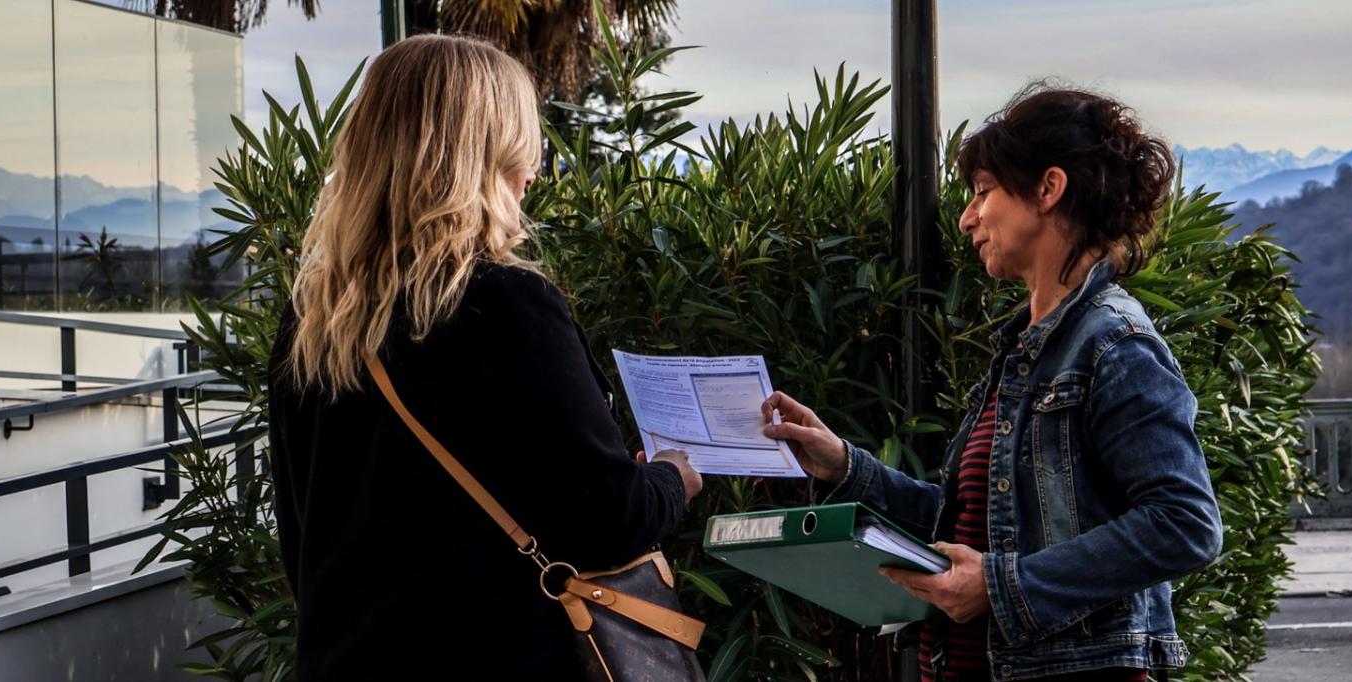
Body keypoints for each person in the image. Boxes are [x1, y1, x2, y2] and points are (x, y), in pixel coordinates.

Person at [266, 34, 701, 681]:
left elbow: (302, 537)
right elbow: (611, 521)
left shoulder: (314, 317)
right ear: (488, 157)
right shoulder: (505, 304)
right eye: (521, 150)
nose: (533, 172)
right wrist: (671, 477)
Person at [762, 85, 1223, 681]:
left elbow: (1186, 523)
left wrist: (1004, 585)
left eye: (983, 192)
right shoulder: (1027, 349)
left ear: (1048, 189)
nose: (967, 217)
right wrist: (847, 468)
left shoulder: (1114, 344)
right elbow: (973, 530)